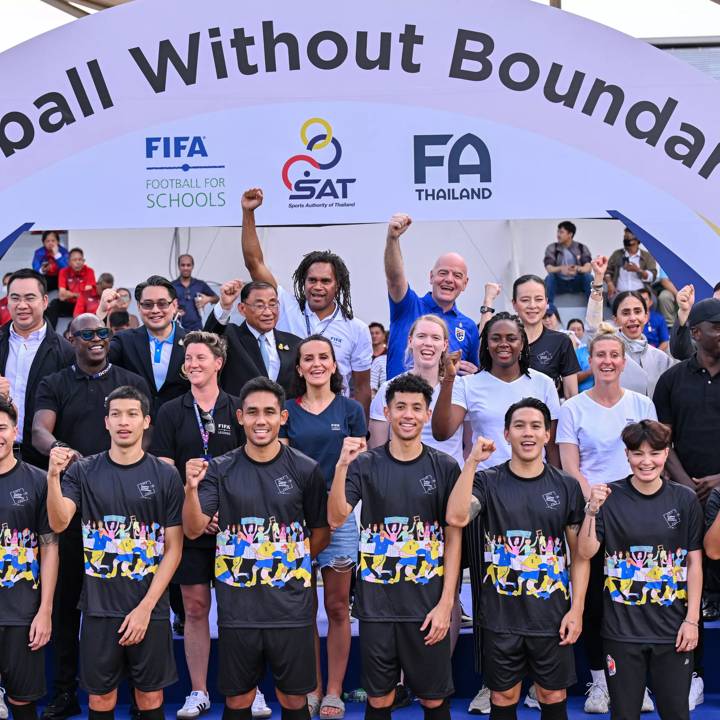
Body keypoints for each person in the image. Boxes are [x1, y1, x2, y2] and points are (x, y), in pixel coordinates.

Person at [182, 376, 330, 720]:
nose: (260, 420)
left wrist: (284, 563)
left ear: (282, 417)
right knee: (238, 700)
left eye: (268, 412)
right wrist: (190, 489)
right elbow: (192, 529)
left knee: (294, 699)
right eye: (252, 413)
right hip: (238, 610)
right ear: (240, 418)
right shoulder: (218, 469)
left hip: (291, 609)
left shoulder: (306, 469)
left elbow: (320, 534)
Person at [28, 313, 151, 720]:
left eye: (102, 333)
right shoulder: (55, 382)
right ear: (71, 338)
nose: (96, 340)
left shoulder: (130, 381)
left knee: (128, 599)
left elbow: (144, 434)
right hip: (71, 506)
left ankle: (137, 692)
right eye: (87, 335)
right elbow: (39, 431)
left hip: (125, 512)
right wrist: (63, 451)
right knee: (65, 605)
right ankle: (64, 691)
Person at [328, 373, 462, 720]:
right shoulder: (365, 464)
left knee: (434, 700)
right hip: (377, 608)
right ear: (386, 412)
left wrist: (447, 603)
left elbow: (454, 535)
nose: (408, 414)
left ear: (427, 414)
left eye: (416, 408)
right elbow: (336, 517)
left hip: (426, 606)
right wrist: (342, 465)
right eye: (400, 406)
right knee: (379, 699)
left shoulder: (445, 466)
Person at [446, 398, 589, 720]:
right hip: (499, 616)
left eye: (536, 426)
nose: (528, 433)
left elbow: (580, 556)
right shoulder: (486, 481)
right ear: (507, 434)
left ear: (547, 435)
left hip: (551, 616)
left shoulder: (566, 486)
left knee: (552, 694)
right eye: (520, 426)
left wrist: (577, 610)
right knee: (504, 694)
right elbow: (456, 517)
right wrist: (471, 462)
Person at [46, 386, 184, 720]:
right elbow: (60, 521)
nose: (124, 421)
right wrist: (52, 476)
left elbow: (174, 548)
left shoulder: (165, 475)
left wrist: (146, 609)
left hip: (149, 609)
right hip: (98, 609)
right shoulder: (83, 471)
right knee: (101, 701)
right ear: (106, 422)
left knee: (150, 699)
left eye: (132, 414)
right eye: (117, 414)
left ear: (146, 421)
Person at [149, 331, 253, 720]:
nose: (193, 364)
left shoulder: (239, 408)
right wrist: (195, 508)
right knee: (194, 607)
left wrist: (224, 514)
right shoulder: (171, 410)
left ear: (218, 363)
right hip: (189, 521)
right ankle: (198, 690)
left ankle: (249, 688)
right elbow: (161, 465)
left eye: (200, 358)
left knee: (238, 608)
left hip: (236, 524)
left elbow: (253, 461)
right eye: (188, 359)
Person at [556, 327, 657, 715]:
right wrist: (595, 502)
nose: (608, 362)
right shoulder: (573, 408)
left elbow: (652, 460)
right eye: (600, 355)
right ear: (591, 360)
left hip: (637, 515)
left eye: (614, 355)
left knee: (634, 600)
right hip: (592, 514)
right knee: (597, 601)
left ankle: (637, 682)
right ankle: (599, 682)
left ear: (623, 359)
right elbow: (570, 467)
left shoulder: (641, 405)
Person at [578, 420, 703, 720]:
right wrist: (591, 510)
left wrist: (692, 620)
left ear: (666, 453)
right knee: (624, 715)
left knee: (676, 713)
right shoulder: (610, 498)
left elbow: (694, 562)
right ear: (627, 455)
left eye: (655, 453)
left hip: (673, 631)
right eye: (638, 453)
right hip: (621, 632)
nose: (646, 461)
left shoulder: (684, 499)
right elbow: (585, 552)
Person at [279, 334, 366, 719]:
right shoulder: (285, 410)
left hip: (340, 517)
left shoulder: (350, 409)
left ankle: (334, 690)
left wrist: (338, 509)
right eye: (308, 358)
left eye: (323, 357)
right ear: (298, 367)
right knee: (303, 608)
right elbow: (279, 467)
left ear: (334, 365)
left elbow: (356, 467)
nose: (316, 363)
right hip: (296, 520)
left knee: (336, 607)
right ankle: (310, 687)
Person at [240, 188, 372, 415]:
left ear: (337, 285)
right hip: (288, 414)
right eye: (312, 280)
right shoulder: (286, 307)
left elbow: (361, 388)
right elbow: (254, 263)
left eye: (325, 281)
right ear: (303, 282)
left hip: (335, 419)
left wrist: (357, 429)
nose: (318, 287)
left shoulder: (356, 329)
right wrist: (248, 213)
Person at [653, 297, 720, 710]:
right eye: (716, 326)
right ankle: (689, 676)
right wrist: (684, 484)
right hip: (683, 489)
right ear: (695, 333)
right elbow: (663, 440)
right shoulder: (673, 380)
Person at [432, 311, 561, 468]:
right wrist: (449, 379)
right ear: (486, 343)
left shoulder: (544, 383)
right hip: (484, 482)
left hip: (534, 481)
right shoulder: (467, 384)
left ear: (522, 344)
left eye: (511, 338)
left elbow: (552, 446)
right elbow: (441, 433)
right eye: (496, 338)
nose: (503, 344)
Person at [0, 397, 59, 720]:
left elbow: (50, 547)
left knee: (24, 704)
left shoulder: (37, 481)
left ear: (14, 430)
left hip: (22, 612)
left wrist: (45, 611)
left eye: (1, 428)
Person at [382, 213, 479, 380]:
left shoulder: (469, 327)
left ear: (465, 283)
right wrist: (392, 239)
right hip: (401, 400)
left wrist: (476, 375)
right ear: (431, 277)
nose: (449, 279)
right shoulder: (408, 306)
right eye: (443, 273)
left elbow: (475, 372)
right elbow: (395, 279)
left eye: (457, 275)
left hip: (446, 404)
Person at [0, 269, 74, 469]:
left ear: (44, 301)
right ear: (7, 301)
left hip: (44, 460)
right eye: (15, 298)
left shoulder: (65, 352)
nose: (22, 305)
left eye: (29, 298)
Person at [369, 315, 463, 467]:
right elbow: (377, 451)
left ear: (445, 344)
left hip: (450, 482)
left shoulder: (461, 387)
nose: (428, 343)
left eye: (435, 338)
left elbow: (470, 443)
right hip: (402, 481)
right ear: (410, 341)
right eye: (421, 336)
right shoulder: (388, 389)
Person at [586, 257, 673, 398]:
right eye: (625, 313)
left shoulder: (661, 358)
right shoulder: (608, 350)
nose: (632, 318)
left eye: (638, 311)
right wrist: (598, 279)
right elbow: (592, 327)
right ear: (616, 319)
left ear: (646, 316)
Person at [103, 276, 189, 417]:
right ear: (139, 307)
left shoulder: (191, 341)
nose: (155, 310)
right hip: (137, 428)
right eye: (147, 305)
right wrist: (102, 313)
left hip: (180, 426)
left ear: (174, 305)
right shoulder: (125, 341)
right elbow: (98, 358)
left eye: (162, 304)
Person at [205, 280, 302, 398]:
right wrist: (224, 306)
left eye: (273, 304)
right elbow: (207, 340)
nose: (268, 312)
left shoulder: (294, 343)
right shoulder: (230, 336)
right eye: (260, 306)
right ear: (242, 308)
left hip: (284, 414)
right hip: (240, 413)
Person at [511, 275, 580, 398]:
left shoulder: (561, 341)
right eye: (525, 300)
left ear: (546, 302)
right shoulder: (504, 341)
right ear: (514, 304)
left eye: (538, 299)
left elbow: (571, 394)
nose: (532, 305)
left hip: (548, 415)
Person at [543, 220, 593, 304]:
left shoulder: (581, 247)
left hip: (576, 282)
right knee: (550, 277)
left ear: (570, 234)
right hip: (560, 283)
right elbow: (549, 268)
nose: (558, 235)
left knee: (588, 277)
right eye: (558, 232)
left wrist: (576, 269)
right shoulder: (552, 248)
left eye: (561, 232)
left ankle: (594, 307)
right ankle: (548, 308)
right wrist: (561, 269)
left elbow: (588, 267)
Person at [669, 282, 720, 361]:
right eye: (716, 301)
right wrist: (684, 312)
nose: (717, 307)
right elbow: (682, 352)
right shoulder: (706, 333)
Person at [46, 248, 96, 327]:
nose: (78, 262)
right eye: (75, 260)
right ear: (69, 262)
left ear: (83, 261)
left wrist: (70, 294)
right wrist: (78, 294)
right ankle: (50, 333)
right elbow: (62, 296)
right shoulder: (63, 272)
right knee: (54, 303)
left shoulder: (89, 271)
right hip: (70, 304)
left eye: (80, 259)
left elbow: (87, 295)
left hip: (83, 305)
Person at [604, 228, 657, 299]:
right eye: (625, 238)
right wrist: (610, 283)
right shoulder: (617, 254)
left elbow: (652, 276)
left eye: (629, 238)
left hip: (641, 293)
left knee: (651, 301)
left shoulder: (647, 256)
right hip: (619, 293)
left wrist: (638, 270)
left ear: (637, 240)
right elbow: (607, 272)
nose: (626, 241)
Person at [171, 256, 218, 332]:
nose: (185, 268)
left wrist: (208, 299)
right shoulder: (172, 286)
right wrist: (173, 310)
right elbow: (164, 304)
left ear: (192, 266)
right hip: (177, 327)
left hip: (197, 327)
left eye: (188, 265)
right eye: (183, 265)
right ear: (178, 266)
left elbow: (217, 299)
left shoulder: (200, 284)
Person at [369, 323, 387, 397]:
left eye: (377, 333)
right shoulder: (364, 357)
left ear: (383, 335)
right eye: (371, 333)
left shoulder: (389, 356)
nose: (374, 336)